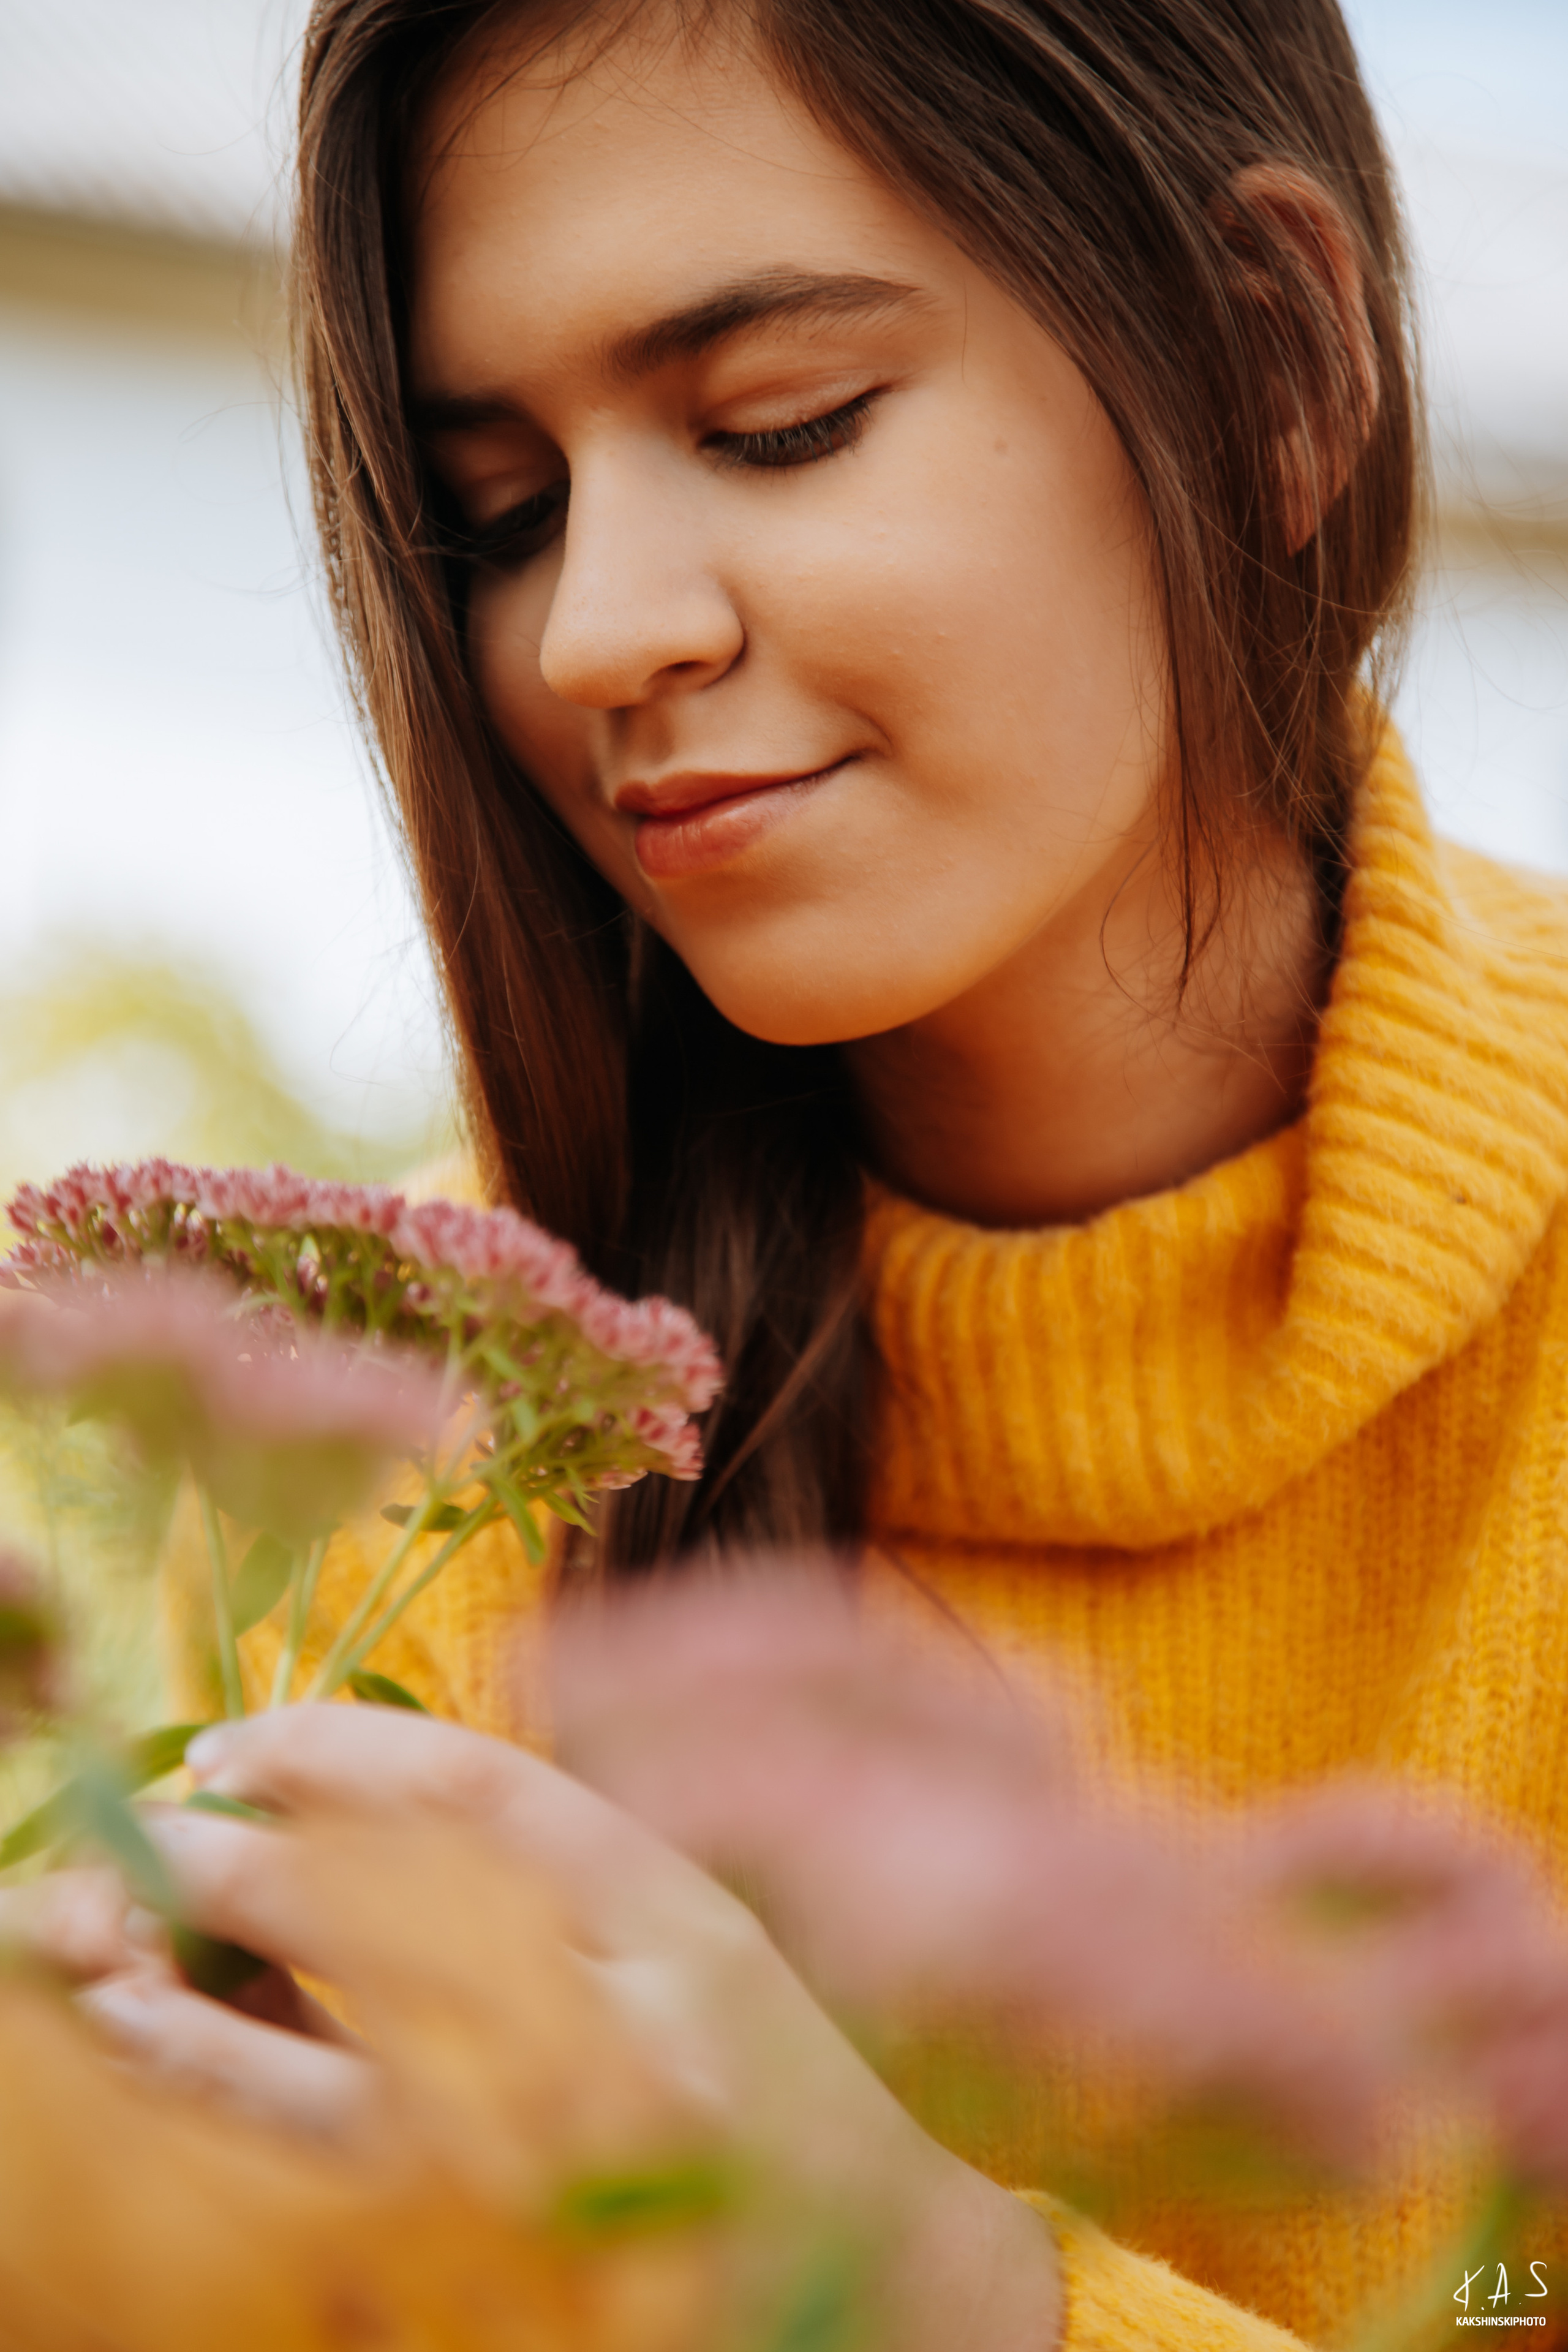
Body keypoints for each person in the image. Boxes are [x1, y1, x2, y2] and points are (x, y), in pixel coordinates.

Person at [58, 0, 1568, 2342]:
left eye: (783, 424)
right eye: (501, 514)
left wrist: (952, 2293)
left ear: (1275, 368)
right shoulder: (394, 1437)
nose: (599, 632)